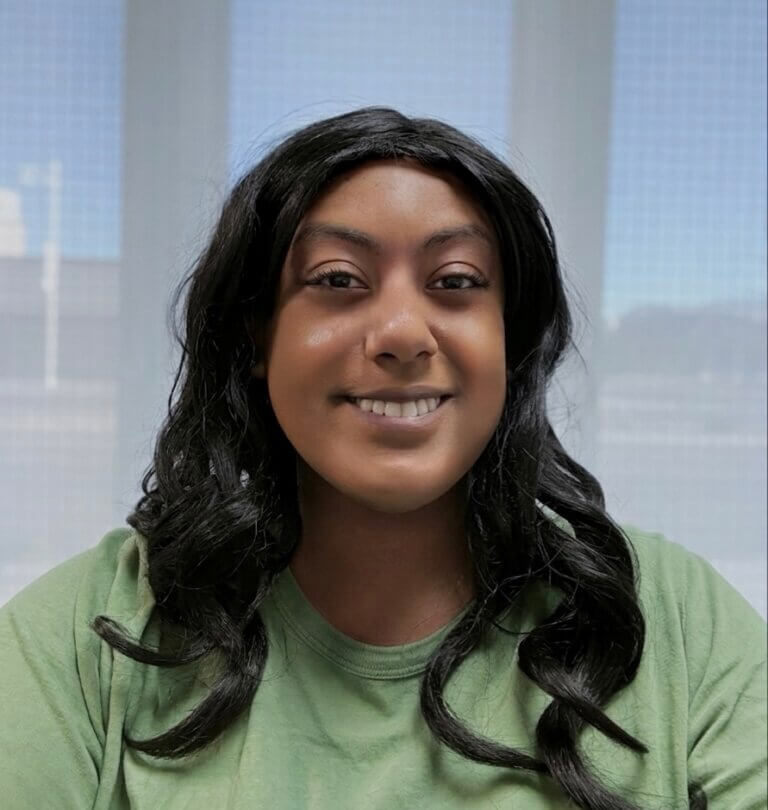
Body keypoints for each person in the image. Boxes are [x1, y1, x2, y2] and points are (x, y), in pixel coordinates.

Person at [1, 107, 765, 810]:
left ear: (511, 340)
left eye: (457, 282)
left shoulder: (673, 620)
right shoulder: (86, 637)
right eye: (338, 280)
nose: (402, 331)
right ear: (257, 335)